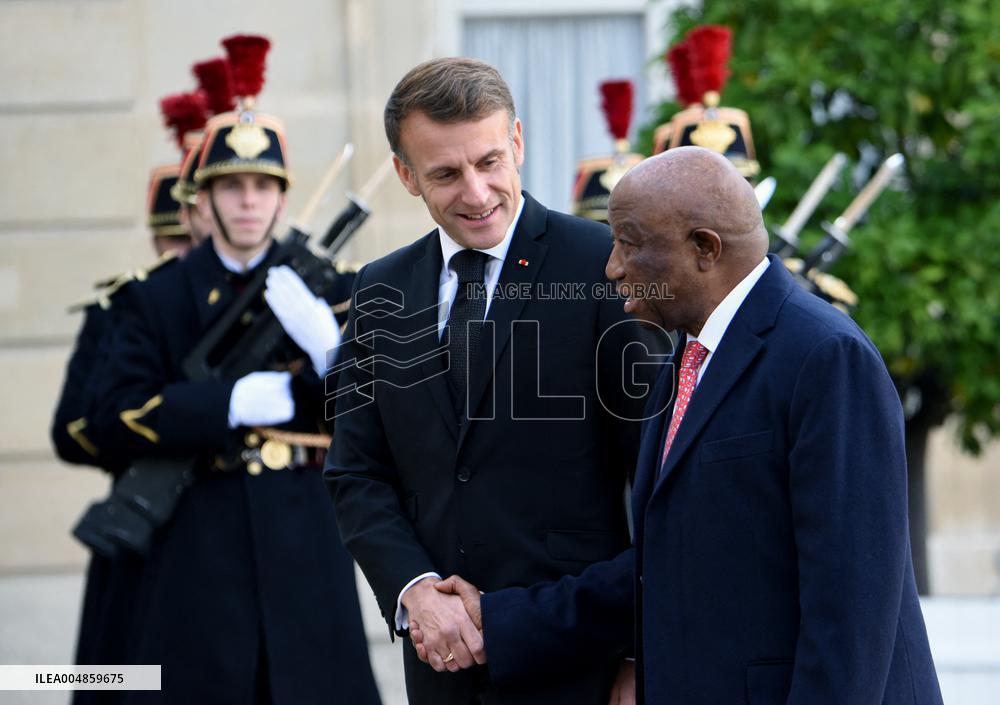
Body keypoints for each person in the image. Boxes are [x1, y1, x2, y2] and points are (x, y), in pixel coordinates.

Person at [437, 146, 944, 705]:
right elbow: (673, 562)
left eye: (629, 244)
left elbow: (852, 604)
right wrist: (500, 620)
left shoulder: (824, 356)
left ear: (705, 248)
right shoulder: (688, 356)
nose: (611, 267)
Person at [324, 57, 659, 705]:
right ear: (405, 175)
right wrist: (414, 587)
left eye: (489, 162)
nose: (476, 194)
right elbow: (355, 470)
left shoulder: (604, 266)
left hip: (584, 667)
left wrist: (642, 651)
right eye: (446, 173)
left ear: (519, 143)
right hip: (441, 666)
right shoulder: (379, 290)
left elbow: (657, 477)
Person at [93, 98, 381, 704]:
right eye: (231, 187)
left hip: (306, 534)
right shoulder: (156, 298)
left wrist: (333, 355)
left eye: (262, 185)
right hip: (198, 538)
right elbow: (108, 416)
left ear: (282, 198)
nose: (248, 201)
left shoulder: (337, 289)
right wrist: (225, 404)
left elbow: (388, 420)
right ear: (202, 200)